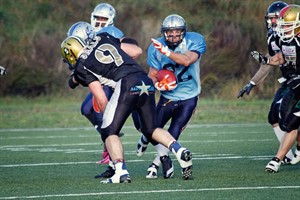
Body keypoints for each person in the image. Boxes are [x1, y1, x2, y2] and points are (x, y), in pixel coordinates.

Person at [60, 31, 193, 183]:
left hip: (126, 84)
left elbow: (101, 98)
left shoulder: (81, 67)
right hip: (145, 80)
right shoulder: (103, 38)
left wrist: (109, 119)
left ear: (71, 54)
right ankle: (179, 150)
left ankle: (120, 172)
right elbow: (135, 51)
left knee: (109, 131)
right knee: (151, 129)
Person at [136, 14, 206, 179]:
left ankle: (157, 163)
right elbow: (152, 74)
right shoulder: (156, 47)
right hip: (168, 96)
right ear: (164, 33)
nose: (174, 36)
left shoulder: (194, 40)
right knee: (153, 129)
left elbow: (187, 60)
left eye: (177, 32)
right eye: (170, 32)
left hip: (189, 96)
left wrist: (166, 52)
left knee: (174, 132)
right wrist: (157, 85)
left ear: (184, 32)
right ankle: (152, 146)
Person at [237, 1, 294, 164]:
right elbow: (270, 62)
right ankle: (287, 155)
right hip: (289, 80)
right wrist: (252, 83)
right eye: (271, 19)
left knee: (290, 118)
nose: (272, 22)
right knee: (274, 117)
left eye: (275, 18)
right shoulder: (273, 37)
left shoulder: (293, 35)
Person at [250, 4, 300, 173]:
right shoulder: (280, 38)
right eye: (283, 25)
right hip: (294, 83)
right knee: (286, 121)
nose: (283, 28)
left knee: (292, 121)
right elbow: (280, 58)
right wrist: (266, 60)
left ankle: (277, 159)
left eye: (287, 25)